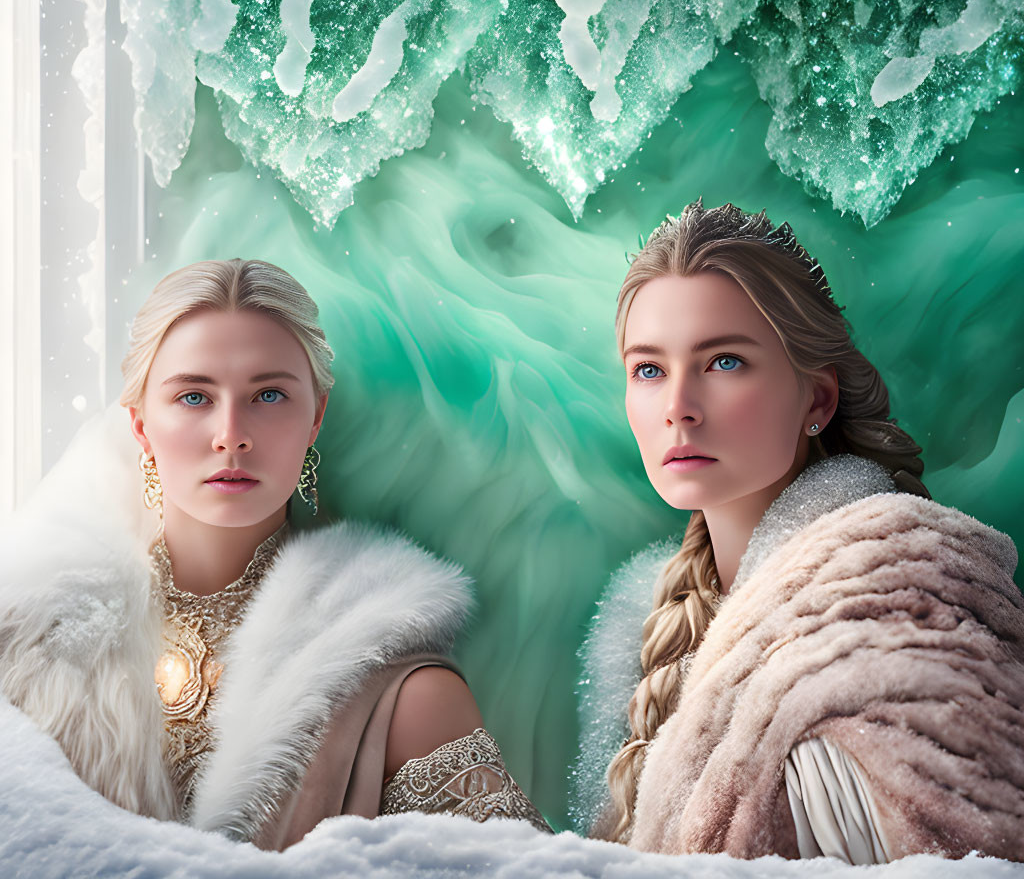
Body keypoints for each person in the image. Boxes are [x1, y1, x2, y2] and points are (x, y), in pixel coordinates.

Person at [0, 258, 548, 847]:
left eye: (267, 395)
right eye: (193, 397)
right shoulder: (28, 649)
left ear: (315, 417)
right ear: (139, 426)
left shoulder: (396, 689)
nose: (231, 433)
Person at [572, 200, 1024, 863]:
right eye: (649, 369)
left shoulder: (898, 594)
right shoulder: (650, 636)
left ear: (817, 398)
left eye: (723, 362)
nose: (678, 409)